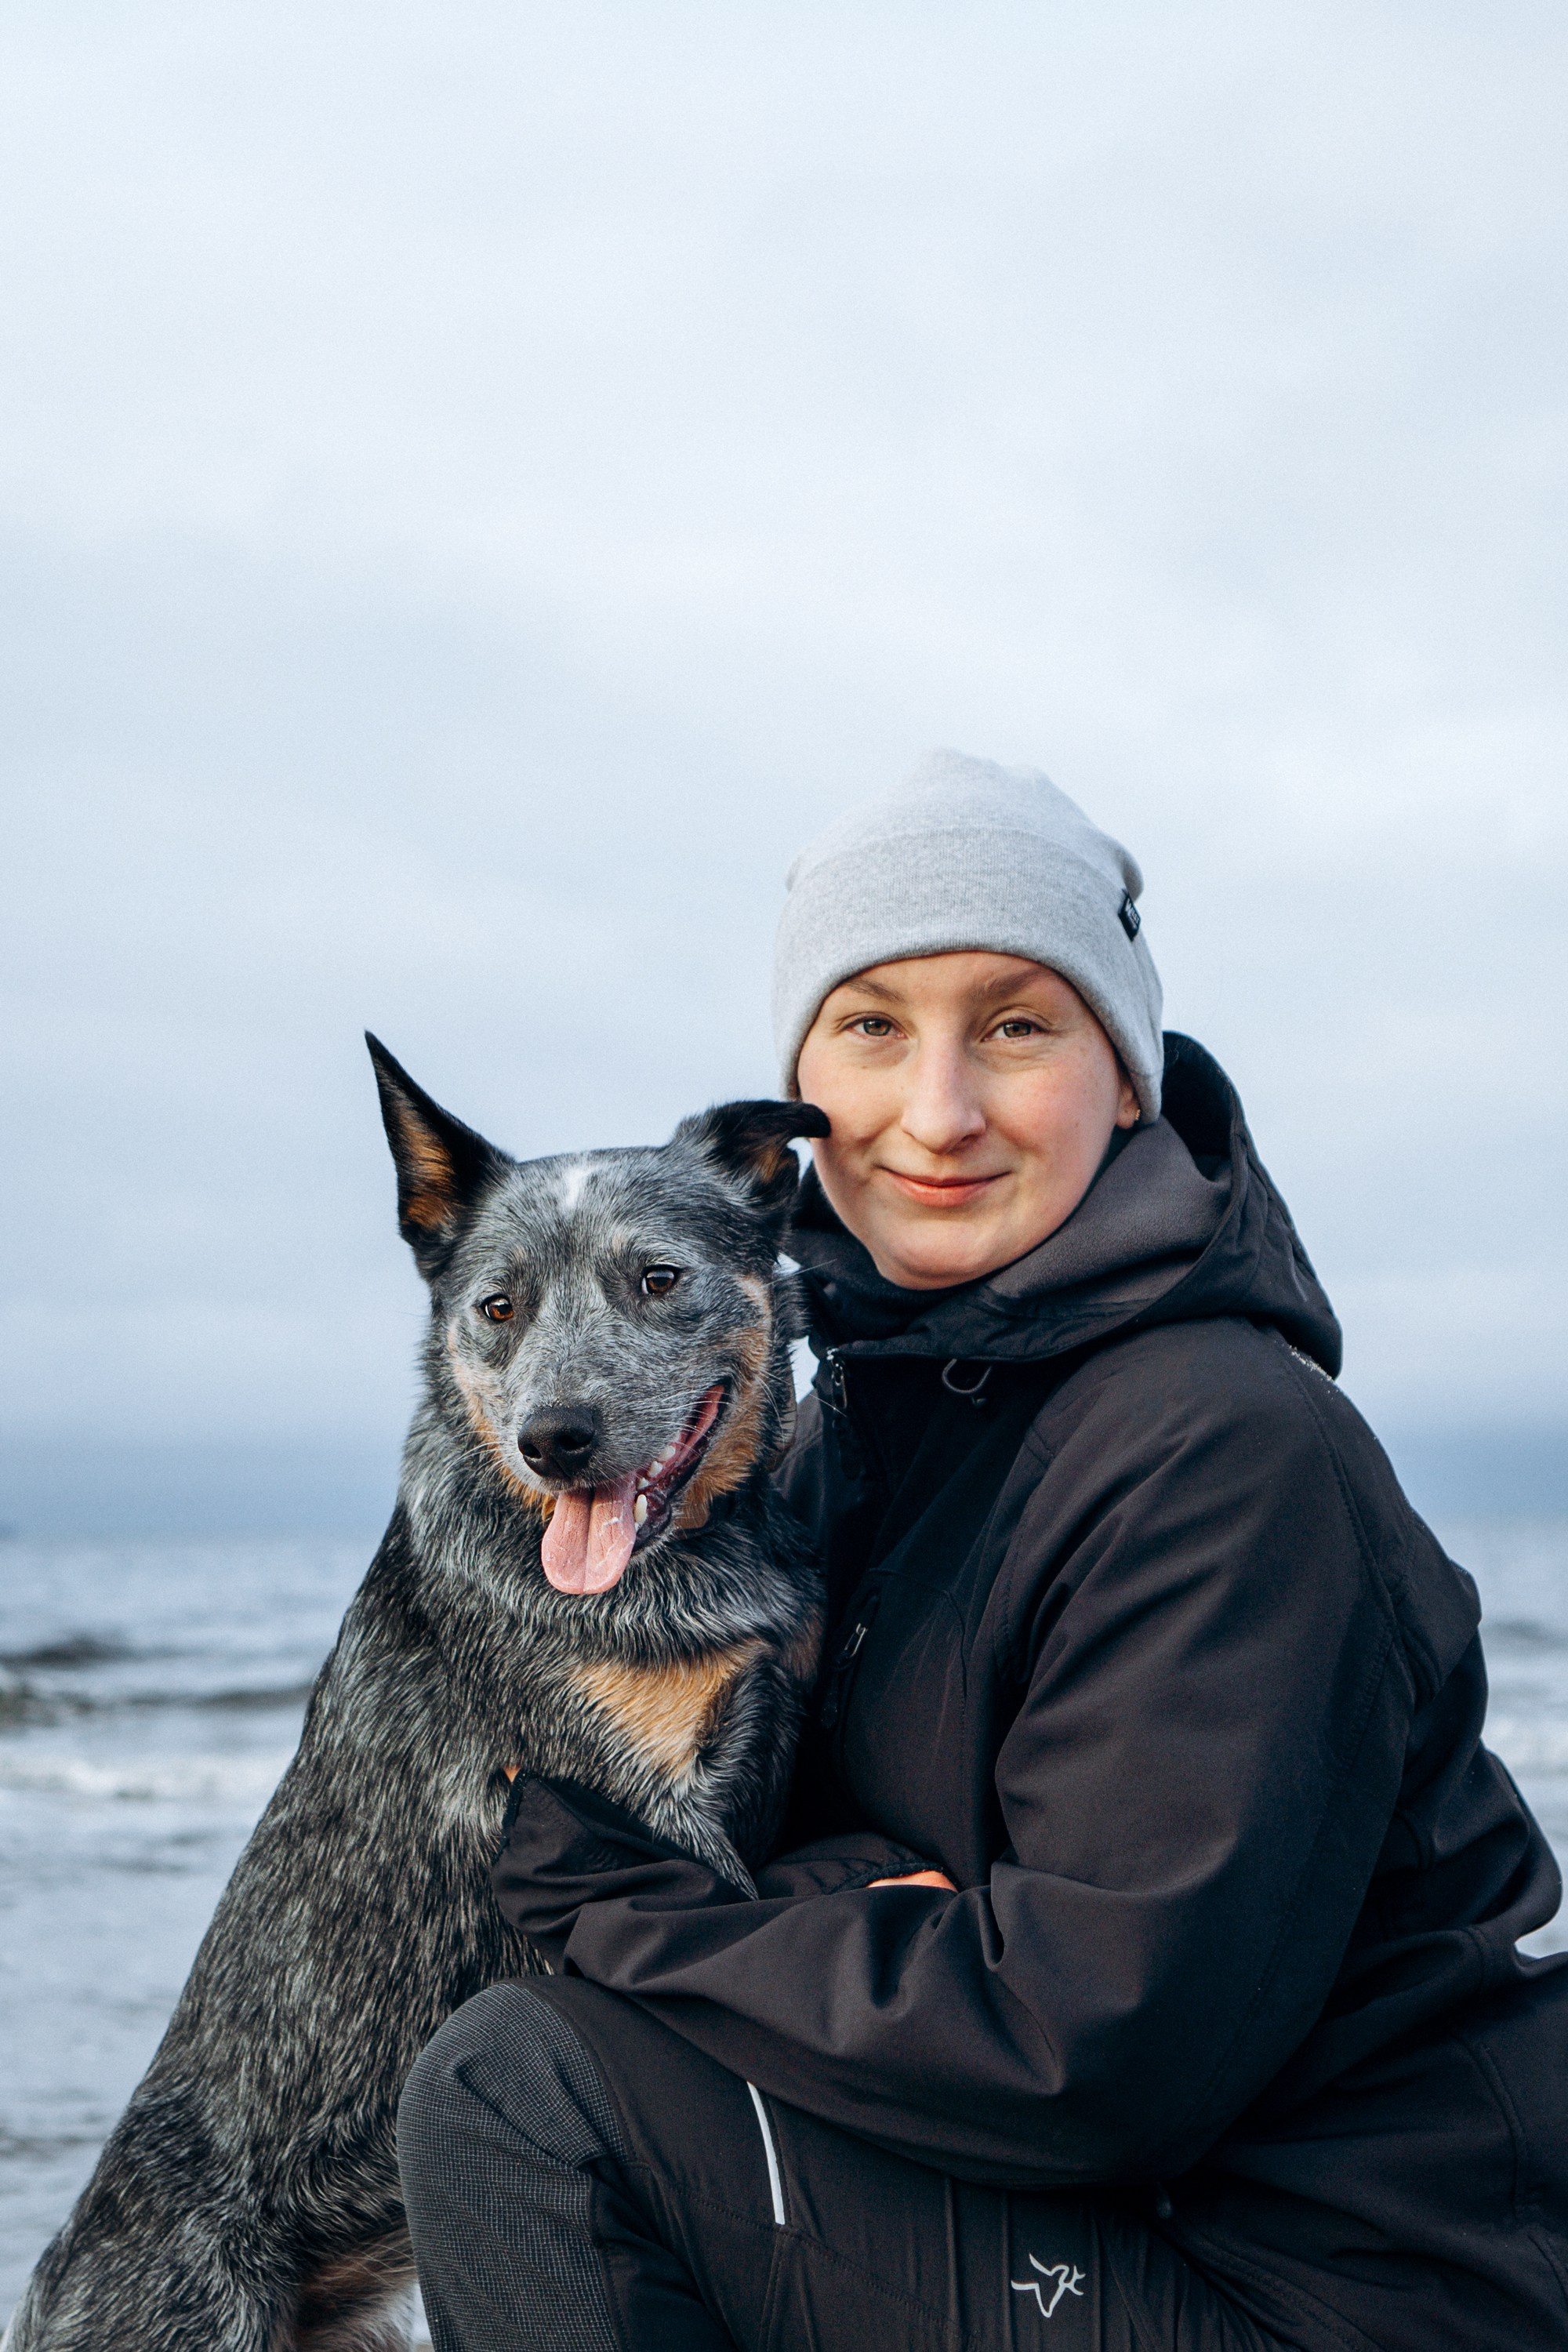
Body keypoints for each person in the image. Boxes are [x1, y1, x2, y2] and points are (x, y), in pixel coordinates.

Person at [397, 751, 1568, 2350]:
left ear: (1127, 1079)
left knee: (518, 2093)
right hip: (1118, 2229)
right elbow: (856, 1856)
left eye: (1016, 1027)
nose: (937, 1113)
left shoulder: (1220, 1449)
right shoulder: (858, 1434)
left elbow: (1099, 2060)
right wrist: (866, 1896)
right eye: (872, 1029)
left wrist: (634, 1912)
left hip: (1323, 2291)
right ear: (801, 1088)